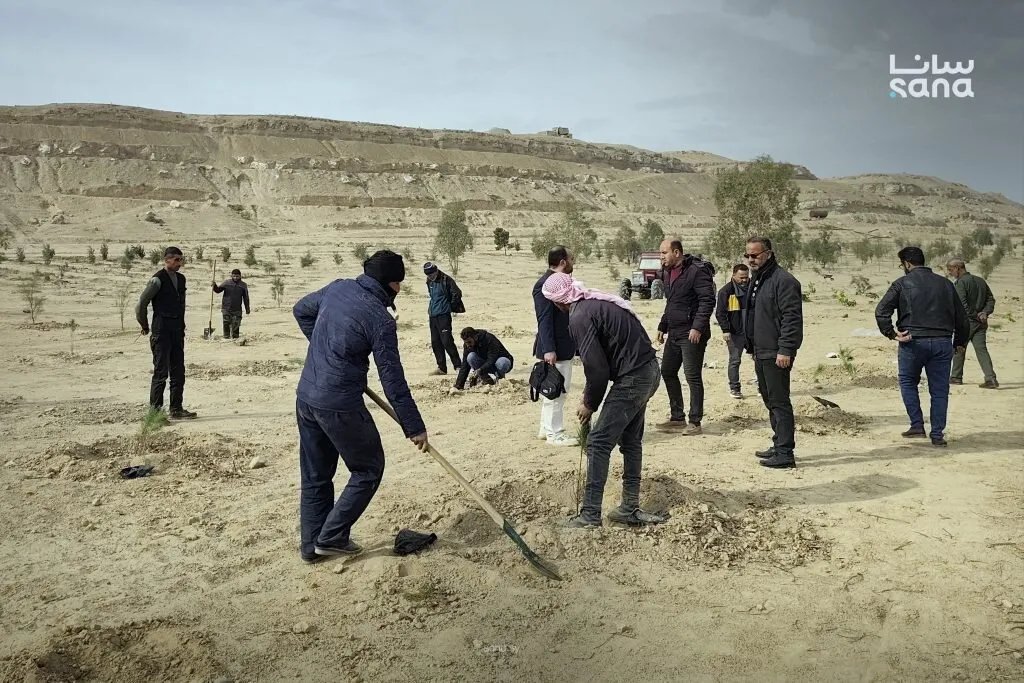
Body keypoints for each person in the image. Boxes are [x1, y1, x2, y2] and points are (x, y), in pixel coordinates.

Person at [292, 250, 429, 564]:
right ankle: (332, 537)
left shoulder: (339, 287)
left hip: (307, 397)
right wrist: (415, 427)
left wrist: (327, 350)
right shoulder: (380, 320)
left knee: (315, 475)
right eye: (398, 283)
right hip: (339, 404)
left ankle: (312, 547)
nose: (399, 290)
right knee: (368, 468)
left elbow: (301, 310)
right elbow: (393, 382)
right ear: (390, 283)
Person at [542, 273, 660, 527]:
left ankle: (590, 515)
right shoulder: (596, 303)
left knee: (597, 443)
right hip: (648, 372)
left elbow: (597, 369)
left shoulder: (579, 316)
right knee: (630, 441)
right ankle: (628, 508)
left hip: (634, 379)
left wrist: (588, 403)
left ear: (556, 302)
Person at [876, 247, 968, 447]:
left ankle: (917, 425)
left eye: (902, 265)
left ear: (907, 264)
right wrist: (959, 342)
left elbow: (881, 311)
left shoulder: (901, 283)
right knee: (940, 390)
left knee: (908, 382)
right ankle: (937, 435)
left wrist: (891, 333)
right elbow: (962, 318)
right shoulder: (946, 284)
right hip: (943, 342)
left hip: (912, 341)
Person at [744, 236, 803, 469]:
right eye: (747, 255)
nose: (751, 260)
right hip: (761, 350)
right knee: (769, 399)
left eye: (755, 255)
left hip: (776, 352)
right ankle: (778, 442)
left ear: (768, 253)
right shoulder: (758, 279)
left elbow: (792, 319)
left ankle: (785, 452)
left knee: (779, 401)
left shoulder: (784, 281)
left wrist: (785, 349)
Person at [655, 238, 716, 435]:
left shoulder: (697, 271)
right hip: (674, 331)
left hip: (692, 333)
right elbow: (672, 303)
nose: (661, 257)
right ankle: (677, 417)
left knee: (692, 376)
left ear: (677, 253)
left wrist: (697, 327)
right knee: (668, 371)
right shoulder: (667, 272)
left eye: (664, 253)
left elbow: (707, 301)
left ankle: (695, 422)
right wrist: (662, 326)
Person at [136, 246, 196, 420]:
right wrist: (145, 325)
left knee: (178, 371)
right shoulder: (157, 280)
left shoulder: (181, 279)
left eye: (181, 259)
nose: (179, 263)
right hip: (161, 331)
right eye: (176, 259)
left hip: (177, 331)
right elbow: (141, 304)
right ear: (167, 260)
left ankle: (176, 409)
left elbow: (182, 304)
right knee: (161, 373)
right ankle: (155, 414)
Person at [532, 245, 578, 446]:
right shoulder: (544, 284)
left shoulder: (552, 282)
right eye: (571, 259)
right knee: (557, 391)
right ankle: (555, 433)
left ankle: (545, 429)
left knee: (552, 390)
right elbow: (544, 320)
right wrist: (549, 349)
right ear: (562, 262)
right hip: (555, 349)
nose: (573, 263)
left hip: (560, 347)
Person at [946, 258, 998, 388]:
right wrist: (984, 313)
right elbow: (991, 299)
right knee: (982, 350)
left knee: (959, 347)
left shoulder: (960, 283)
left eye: (951, 270)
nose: (950, 273)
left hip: (967, 323)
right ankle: (991, 378)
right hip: (981, 322)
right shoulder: (980, 281)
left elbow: (962, 305)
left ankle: (956, 377)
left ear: (958, 268)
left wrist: (975, 316)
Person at [715, 263, 750, 399]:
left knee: (760, 359)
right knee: (735, 361)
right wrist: (725, 330)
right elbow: (720, 313)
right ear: (733, 275)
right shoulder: (725, 291)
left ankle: (762, 387)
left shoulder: (753, 288)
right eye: (741, 277)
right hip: (735, 333)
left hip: (752, 331)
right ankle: (735, 388)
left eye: (746, 277)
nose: (744, 280)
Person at [423, 262, 464, 376]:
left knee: (447, 341)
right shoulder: (429, 281)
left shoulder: (446, 280)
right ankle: (441, 368)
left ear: (436, 271)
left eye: (432, 274)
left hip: (444, 315)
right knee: (436, 342)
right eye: (428, 275)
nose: (431, 276)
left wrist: (450, 306)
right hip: (433, 315)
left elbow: (457, 293)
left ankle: (458, 366)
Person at [450, 327, 514, 392]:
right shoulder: (467, 345)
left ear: (475, 337)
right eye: (465, 343)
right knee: (470, 357)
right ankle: (487, 379)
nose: (467, 345)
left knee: (502, 362)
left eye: (469, 342)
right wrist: (459, 385)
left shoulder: (489, 339)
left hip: (500, 362)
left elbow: (492, 359)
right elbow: (465, 365)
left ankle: (500, 380)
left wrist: (480, 369)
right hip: (486, 364)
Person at [212, 268, 251, 339]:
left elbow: (246, 298)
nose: (235, 278)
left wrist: (247, 309)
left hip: (237, 309)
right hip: (226, 308)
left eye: (237, 276)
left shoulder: (243, 285)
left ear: (240, 276)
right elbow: (218, 290)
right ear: (231, 276)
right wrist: (214, 286)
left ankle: (235, 338)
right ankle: (226, 337)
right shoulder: (226, 283)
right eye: (234, 276)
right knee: (226, 323)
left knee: (236, 324)